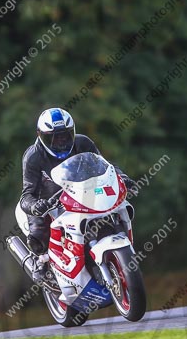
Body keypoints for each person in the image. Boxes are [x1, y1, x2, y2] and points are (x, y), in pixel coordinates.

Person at [19, 108, 134, 281]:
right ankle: (41, 260)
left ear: (72, 132)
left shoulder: (83, 143)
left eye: (65, 135)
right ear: (40, 135)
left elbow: (106, 166)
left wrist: (122, 177)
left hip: (83, 192)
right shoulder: (33, 157)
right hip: (49, 201)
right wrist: (36, 205)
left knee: (114, 208)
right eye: (54, 137)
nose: (60, 141)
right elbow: (26, 194)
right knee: (38, 233)